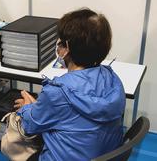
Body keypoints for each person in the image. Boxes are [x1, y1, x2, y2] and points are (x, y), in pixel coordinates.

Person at [14, 8, 126, 161]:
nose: (57, 46)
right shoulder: (113, 79)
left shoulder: (57, 92)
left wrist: (27, 107)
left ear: (65, 49)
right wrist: (41, 106)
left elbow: (30, 126)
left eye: (60, 42)